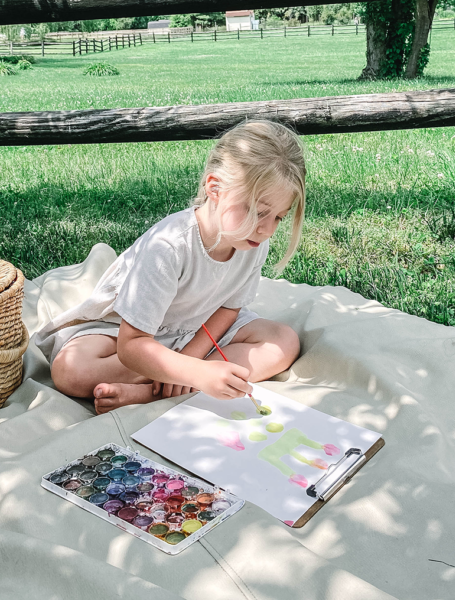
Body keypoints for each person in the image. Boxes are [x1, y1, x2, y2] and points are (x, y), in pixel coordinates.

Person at [35, 120, 304, 414]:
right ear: (215, 188)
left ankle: (154, 393)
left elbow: (229, 308)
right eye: (259, 212)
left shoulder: (252, 241)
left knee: (283, 342)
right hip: (126, 333)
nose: (267, 229)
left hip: (198, 329)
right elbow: (131, 344)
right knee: (70, 371)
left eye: (278, 217)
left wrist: (191, 361)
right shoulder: (169, 246)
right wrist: (193, 370)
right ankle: (182, 381)